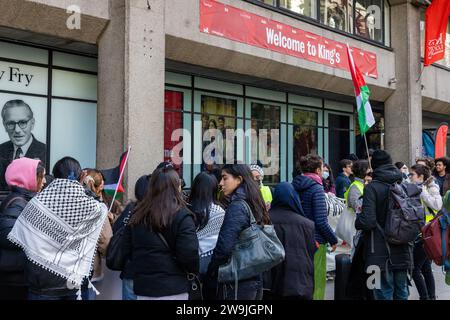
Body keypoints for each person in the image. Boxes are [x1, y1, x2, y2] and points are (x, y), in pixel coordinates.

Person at [7, 156, 108, 300]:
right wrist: (87, 189)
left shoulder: (37, 203)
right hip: (72, 281)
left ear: (54, 176)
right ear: (82, 176)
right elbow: (101, 209)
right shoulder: (91, 207)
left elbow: (24, 236)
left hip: (41, 282)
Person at [122, 167, 199, 300]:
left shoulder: (137, 215)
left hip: (144, 288)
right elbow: (189, 253)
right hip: (174, 287)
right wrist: (192, 271)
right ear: (176, 187)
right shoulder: (182, 215)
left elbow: (127, 248)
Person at [207, 164, 270, 300]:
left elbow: (225, 246)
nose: (220, 183)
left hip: (237, 280)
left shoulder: (237, 206)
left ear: (239, 179)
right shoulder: (253, 200)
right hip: (254, 275)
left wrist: (211, 271)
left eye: (225, 178)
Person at [355, 150, 411, 300]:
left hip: (376, 252)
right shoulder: (403, 184)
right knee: (402, 291)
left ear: (374, 166)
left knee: (378, 291)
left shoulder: (371, 187)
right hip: (403, 248)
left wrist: (358, 220)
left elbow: (368, 221)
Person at [292, 154, 338, 300]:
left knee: (302, 279)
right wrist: (333, 239)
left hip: (297, 238)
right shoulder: (317, 188)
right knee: (318, 280)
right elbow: (321, 220)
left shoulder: (293, 185)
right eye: (323, 167)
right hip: (316, 240)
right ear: (318, 170)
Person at [0, 158, 46, 300]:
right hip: (15, 279)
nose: (44, 181)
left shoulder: (22, 200)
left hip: (18, 276)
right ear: (29, 178)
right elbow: (7, 235)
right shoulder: (18, 203)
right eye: (41, 177)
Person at [264, 182, 316, 300]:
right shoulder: (307, 224)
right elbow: (311, 251)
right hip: (300, 281)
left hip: (272, 281)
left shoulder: (265, 220)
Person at [112, 174, 150, 300]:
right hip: (150, 272)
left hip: (130, 269)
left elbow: (116, 229)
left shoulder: (131, 208)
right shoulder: (156, 212)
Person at [188, 172, 225, 299]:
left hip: (190, 262)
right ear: (213, 189)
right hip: (211, 263)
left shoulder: (186, 210)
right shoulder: (219, 211)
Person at [409, 164, 442, 300]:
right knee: (425, 267)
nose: (410, 177)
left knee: (415, 268)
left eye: (412, 174)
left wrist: (422, 191)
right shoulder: (413, 186)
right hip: (419, 231)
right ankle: (431, 296)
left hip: (427, 233)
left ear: (421, 176)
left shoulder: (431, 187)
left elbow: (437, 205)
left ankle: (425, 296)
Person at [0, 100, 46, 190]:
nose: (17, 129)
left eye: (23, 122)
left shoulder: (46, 151)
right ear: (4, 126)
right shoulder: (1, 150)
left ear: (32, 123)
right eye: (11, 123)